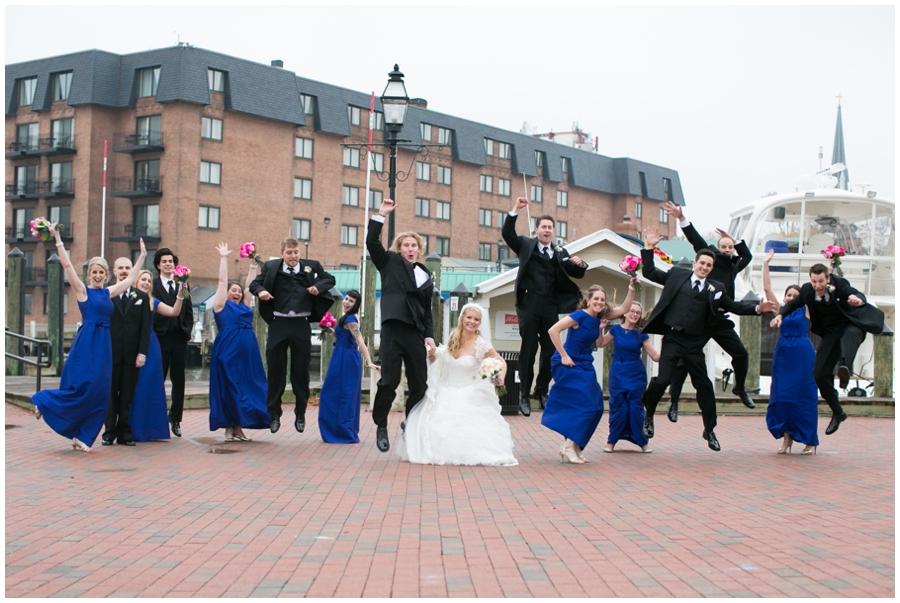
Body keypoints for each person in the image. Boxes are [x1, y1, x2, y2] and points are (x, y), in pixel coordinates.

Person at [640, 226, 777, 451]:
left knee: (704, 386)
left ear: (712, 268)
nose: (704, 267)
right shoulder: (677, 275)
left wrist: (757, 309)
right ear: (695, 264)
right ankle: (649, 414)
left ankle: (709, 430)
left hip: (694, 344)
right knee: (662, 380)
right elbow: (650, 273)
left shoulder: (717, 288)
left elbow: (734, 306)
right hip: (673, 338)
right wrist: (649, 249)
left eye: (709, 265)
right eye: (701, 263)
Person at [32, 228, 146, 452]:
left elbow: (131, 278)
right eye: (94, 272)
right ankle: (44, 400)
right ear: (89, 273)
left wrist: (142, 255)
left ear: (106, 275)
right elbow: (67, 266)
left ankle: (82, 436)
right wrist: (57, 240)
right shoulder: (82, 291)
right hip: (87, 342)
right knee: (84, 387)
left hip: (104, 344)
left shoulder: (107, 293)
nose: (97, 275)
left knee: (101, 391)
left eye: (101, 272)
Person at [662, 201, 756, 418]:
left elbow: (748, 256)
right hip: (700, 321)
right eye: (723, 247)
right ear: (717, 249)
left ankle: (739, 388)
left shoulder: (734, 265)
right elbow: (696, 241)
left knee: (741, 354)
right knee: (684, 362)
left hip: (720, 320)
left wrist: (735, 240)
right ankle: (673, 401)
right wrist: (681, 219)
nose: (726, 250)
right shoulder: (711, 260)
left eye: (729, 247)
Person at [771, 263, 884, 436]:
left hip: (851, 324)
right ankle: (838, 412)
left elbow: (853, 292)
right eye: (814, 281)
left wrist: (858, 299)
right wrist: (779, 315)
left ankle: (845, 368)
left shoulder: (838, 284)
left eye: (821, 281)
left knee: (848, 337)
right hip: (831, 331)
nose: (818, 286)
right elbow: (792, 305)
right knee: (819, 374)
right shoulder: (808, 291)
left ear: (828, 278)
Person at [400, 303, 518, 466]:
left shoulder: (481, 344)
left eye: (476, 319)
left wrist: (501, 377)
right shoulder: (454, 336)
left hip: (470, 388)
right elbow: (445, 357)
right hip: (447, 387)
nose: (472, 322)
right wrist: (435, 357)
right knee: (431, 414)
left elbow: (501, 361)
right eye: (469, 317)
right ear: (462, 318)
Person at [502, 196, 588, 416]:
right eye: (543, 227)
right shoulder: (526, 245)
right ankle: (523, 395)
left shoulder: (560, 252)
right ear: (537, 229)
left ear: (553, 231)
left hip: (551, 306)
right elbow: (507, 235)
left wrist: (581, 263)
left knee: (551, 351)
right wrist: (515, 210)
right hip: (529, 305)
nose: (547, 230)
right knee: (528, 351)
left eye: (550, 227)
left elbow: (576, 272)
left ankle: (541, 391)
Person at [366, 199, 436, 453]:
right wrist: (381, 215)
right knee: (389, 382)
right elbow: (372, 243)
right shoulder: (389, 263)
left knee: (420, 384)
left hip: (415, 334)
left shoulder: (426, 275)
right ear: (399, 248)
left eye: (414, 245)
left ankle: (410, 422)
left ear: (419, 249)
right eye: (406, 245)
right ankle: (381, 425)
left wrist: (429, 336)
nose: (410, 248)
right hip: (393, 330)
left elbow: (427, 311)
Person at [249, 237, 335, 435]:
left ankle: (300, 413)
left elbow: (330, 279)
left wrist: (318, 287)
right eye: (289, 252)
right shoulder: (271, 267)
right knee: (275, 370)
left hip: (301, 324)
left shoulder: (311, 267)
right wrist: (261, 291)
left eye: (296, 252)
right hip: (278, 323)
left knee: (300, 371)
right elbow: (255, 284)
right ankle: (274, 415)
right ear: (282, 254)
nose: (293, 256)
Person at [542, 282, 636, 464]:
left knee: (598, 407)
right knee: (588, 405)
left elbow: (625, 308)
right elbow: (553, 330)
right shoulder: (579, 316)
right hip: (569, 363)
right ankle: (569, 445)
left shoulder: (600, 317)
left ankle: (575, 445)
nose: (599, 302)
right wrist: (563, 355)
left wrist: (632, 286)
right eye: (596, 299)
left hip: (585, 363)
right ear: (588, 300)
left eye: (602, 299)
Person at [209, 243, 271, 441]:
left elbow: (249, 288)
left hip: (247, 352)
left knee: (247, 386)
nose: (236, 293)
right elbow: (221, 281)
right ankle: (229, 425)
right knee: (229, 386)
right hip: (228, 350)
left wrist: (253, 265)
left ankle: (239, 425)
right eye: (232, 290)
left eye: (238, 291)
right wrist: (223, 258)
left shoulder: (245, 305)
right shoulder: (220, 305)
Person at [761, 250, 818, 455]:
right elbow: (767, 288)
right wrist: (765, 264)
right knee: (782, 396)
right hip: (783, 353)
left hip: (803, 354)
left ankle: (810, 441)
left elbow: (822, 288)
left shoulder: (806, 309)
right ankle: (787, 439)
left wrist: (832, 267)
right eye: (789, 295)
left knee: (804, 397)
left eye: (796, 295)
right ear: (785, 297)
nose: (792, 297)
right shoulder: (780, 310)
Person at [102, 256, 152, 447]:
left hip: (132, 355)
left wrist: (142, 353)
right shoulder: (107, 295)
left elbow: (144, 329)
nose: (124, 271)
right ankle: (109, 433)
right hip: (111, 353)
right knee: (110, 395)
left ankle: (125, 433)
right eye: (120, 268)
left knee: (127, 395)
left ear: (133, 271)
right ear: (114, 272)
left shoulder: (140, 296)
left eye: (127, 267)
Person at [317, 290, 380, 444]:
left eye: (351, 301)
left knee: (341, 394)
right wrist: (329, 329)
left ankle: (341, 431)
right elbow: (343, 337)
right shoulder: (348, 318)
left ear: (355, 304)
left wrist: (369, 361)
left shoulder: (351, 320)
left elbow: (360, 342)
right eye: (346, 299)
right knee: (338, 393)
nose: (346, 302)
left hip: (346, 359)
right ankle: (339, 429)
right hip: (342, 355)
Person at [129, 269, 184, 442]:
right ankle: (131, 427)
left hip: (151, 346)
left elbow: (174, 312)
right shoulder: (129, 299)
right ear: (136, 282)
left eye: (148, 280)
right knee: (133, 386)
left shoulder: (153, 301)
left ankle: (152, 429)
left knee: (149, 385)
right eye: (142, 279)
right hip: (131, 344)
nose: (146, 283)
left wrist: (180, 296)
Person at [598, 301, 660, 453]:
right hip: (618, 372)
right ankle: (611, 441)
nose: (634, 314)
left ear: (639, 316)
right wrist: (600, 329)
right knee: (618, 406)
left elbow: (655, 356)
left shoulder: (641, 333)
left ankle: (642, 442)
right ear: (624, 313)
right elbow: (600, 344)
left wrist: (670, 345)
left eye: (637, 312)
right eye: (631, 311)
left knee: (635, 407)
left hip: (636, 374)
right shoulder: (616, 330)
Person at [152, 248, 194, 437]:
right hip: (160, 337)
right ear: (158, 265)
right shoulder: (152, 285)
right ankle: (155, 418)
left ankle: (175, 419)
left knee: (179, 379)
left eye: (171, 261)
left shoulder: (183, 284)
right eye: (164, 261)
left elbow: (188, 310)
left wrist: (186, 331)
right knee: (157, 378)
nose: (168, 264)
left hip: (179, 337)